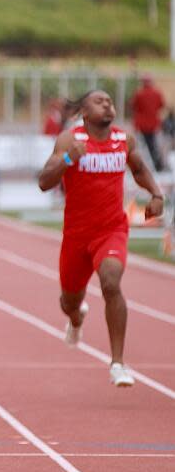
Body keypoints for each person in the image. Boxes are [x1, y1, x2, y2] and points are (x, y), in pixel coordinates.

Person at [38, 90, 164, 387]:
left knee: (111, 280)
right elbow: (44, 182)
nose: (108, 104)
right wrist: (69, 159)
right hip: (76, 236)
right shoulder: (71, 140)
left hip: (111, 230)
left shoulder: (124, 140)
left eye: (110, 100)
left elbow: (139, 169)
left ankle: (118, 363)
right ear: (84, 111)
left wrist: (156, 193)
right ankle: (75, 317)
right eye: (99, 101)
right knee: (69, 300)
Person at [130, 74, 165, 171]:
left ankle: (143, 165)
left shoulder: (139, 93)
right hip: (153, 124)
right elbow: (161, 105)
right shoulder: (157, 93)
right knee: (153, 145)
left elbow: (133, 106)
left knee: (142, 146)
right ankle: (157, 164)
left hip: (142, 125)